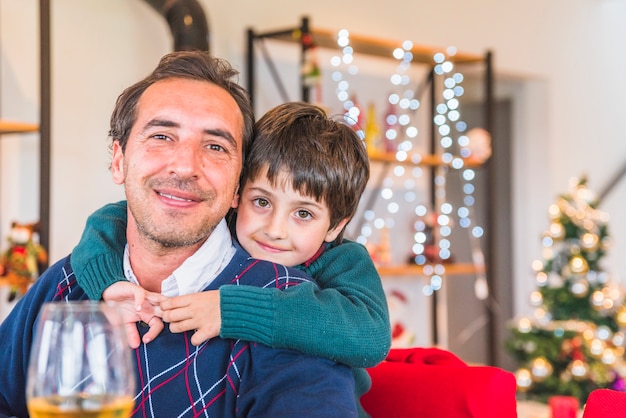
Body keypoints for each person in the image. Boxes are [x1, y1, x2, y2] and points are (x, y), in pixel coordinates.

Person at [0, 51, 358, 417]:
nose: (185, 166)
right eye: (162, 136)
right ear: (120, 161)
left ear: (239, 185)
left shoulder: (288, 312)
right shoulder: (66, 284)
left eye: (215, 146)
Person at [71, 102, 391, 417]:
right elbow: (109, 219)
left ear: (335, 225)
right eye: (262, 201)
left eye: (303, 213)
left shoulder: (342, 259)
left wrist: (230, 310)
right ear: (237, 192)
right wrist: (109, 285)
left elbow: (370, 336)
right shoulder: (224, 223)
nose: (275, 230)